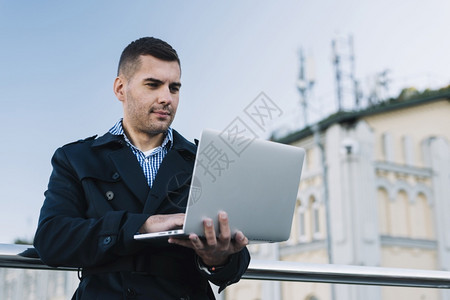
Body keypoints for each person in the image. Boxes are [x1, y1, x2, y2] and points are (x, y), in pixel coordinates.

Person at [34, 37, 250, 300]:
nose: (166, 98)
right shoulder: (76, 158)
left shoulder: (205, 160)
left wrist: (219, 259)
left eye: (174, 88)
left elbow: (236, 262)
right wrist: (144, 226)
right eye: (153, 85)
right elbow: (52, 240)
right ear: (120, 88)